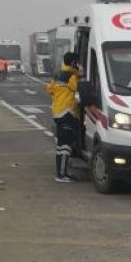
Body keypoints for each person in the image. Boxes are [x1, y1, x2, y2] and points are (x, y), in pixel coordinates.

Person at [45, 52, 81, 182]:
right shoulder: (72, 76)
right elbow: (78, 89)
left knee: (61, 145)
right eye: (76, 62)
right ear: (72, 63)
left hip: (58, 112)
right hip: (68, 113)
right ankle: (61, 175)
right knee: (66, 144)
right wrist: (79, 73)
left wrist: (59, 96)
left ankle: (61, 172)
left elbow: (49, 89)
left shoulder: (58, 75)